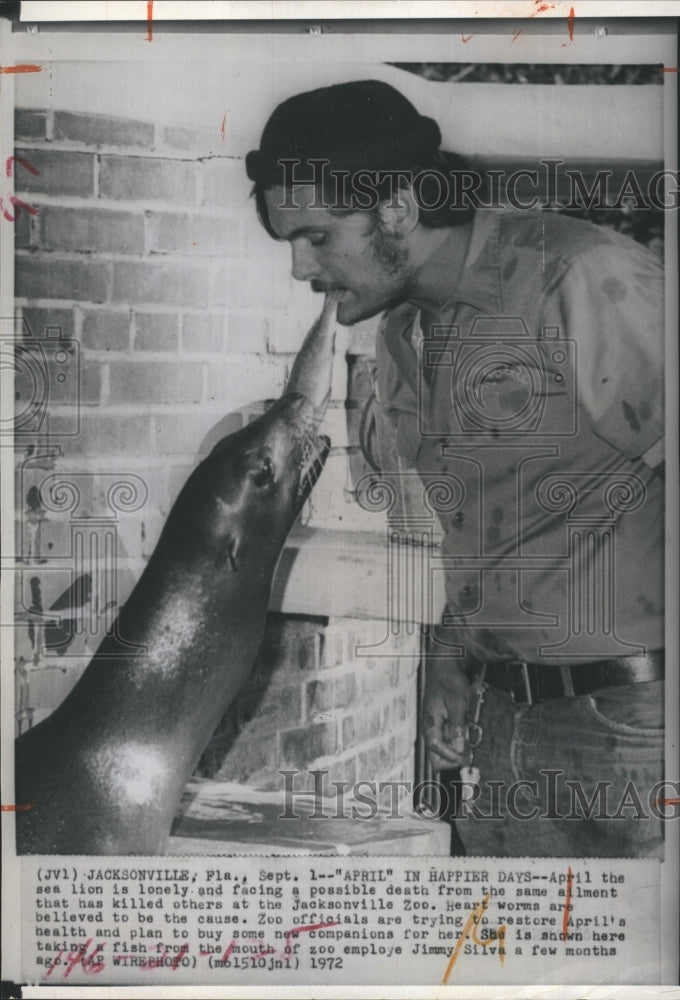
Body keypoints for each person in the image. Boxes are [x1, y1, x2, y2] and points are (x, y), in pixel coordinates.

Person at [245, 79, 666, 858]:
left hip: (641, 729)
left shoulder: (579, 277)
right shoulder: (404, 333)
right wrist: (455, 655)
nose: (301, 267)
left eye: (318, 236)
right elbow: (488, 527)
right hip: (503, 723)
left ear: (397, 208)